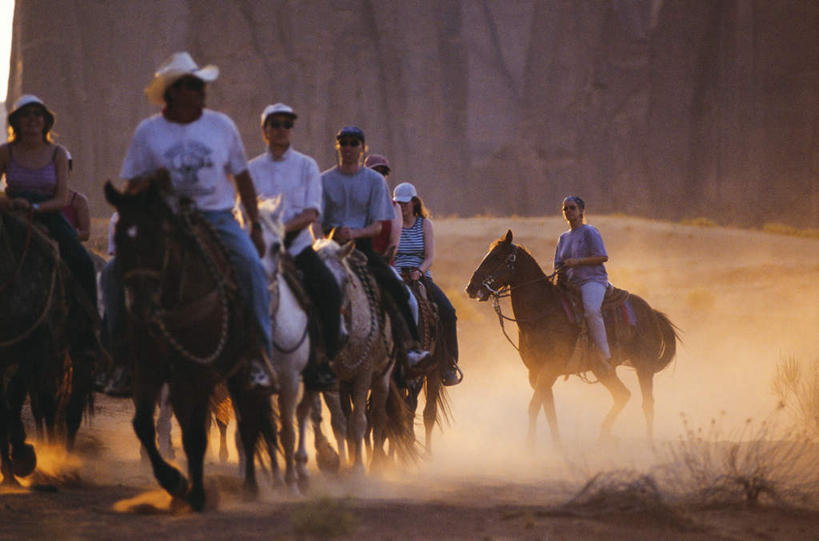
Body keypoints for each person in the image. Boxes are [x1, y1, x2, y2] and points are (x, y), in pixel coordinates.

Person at [119, 52, 274, 390]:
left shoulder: (221, 126)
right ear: (172, 91)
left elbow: (243, 178)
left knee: (251, 268)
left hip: (217, 215)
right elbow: (132, 184)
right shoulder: (149, 132)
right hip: (164, 219)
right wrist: (152, 182)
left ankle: (259, 357)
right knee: (119, 274)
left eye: (199, 83)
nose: (199, 89)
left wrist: (255, 225)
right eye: (190, 84)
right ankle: (120, 360)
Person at [247, 102, 345, 389]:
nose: (281, 130)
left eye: (287, 124)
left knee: (328, 290)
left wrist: (279, 231)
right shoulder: (250, 169)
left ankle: (323, 363)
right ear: (264, 130)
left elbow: (311, 213)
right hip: (260, 251)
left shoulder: (306, 165)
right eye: (275, 124)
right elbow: (244, 210)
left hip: (299, 247)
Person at [320, 126, 430, 369]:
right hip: (330, 249)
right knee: (297, 287)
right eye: (344, 143)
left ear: (362, 148)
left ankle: (410, 349)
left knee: (400, 293)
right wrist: (322, 242)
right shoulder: (324, 180)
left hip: (364, 250)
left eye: (353, 143)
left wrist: (355, 232)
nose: (348, 148)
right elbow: (316, 221)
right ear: (338, 146)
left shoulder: (374, 182)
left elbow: (379, 226)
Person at [0, 94, 97, 307]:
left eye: (37, 114)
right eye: (26, 115)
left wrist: (34, 207)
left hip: (48, 211)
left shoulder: (58, 153)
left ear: (45, 121)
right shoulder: (5, 152)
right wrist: (9, 204)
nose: (32, 119)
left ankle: (92, 320)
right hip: (11, 210)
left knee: (82, 261)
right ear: (16, 122)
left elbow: (62, 198)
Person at [392, 182, 462, 386]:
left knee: (449, 312)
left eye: (405, 203)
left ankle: (449, 364)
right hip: (396, 275)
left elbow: (430, 256)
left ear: (414, 203)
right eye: (398, 203)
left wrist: (419, 272)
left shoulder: (425, 224)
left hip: (419, 274)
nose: (402, 207)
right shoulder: (393, 224)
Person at [553, 196, 613, 373]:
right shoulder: (563, 238)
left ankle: (605, 355)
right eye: (565, 209)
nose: (568, 212)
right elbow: (558, 265)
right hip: (570, 284)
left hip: (592, 280)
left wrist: (578, 262)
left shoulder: (589, 232)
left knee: (591, 310)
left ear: (581, 211)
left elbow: (603, 256)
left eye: (572, 208)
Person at [364, 153, 401, 259]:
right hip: (357, 259)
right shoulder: (356, 202)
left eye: (383, 173)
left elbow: (394, 243)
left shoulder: (394, 207)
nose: (380, 176)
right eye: (375, 172)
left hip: (383, 260)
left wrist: (385, 258)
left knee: (394, 276)